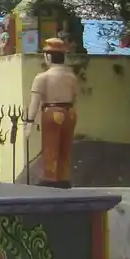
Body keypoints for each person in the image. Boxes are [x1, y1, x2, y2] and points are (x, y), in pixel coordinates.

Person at [24, 38, 80, 188]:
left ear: (48, 57)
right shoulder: (71, 77)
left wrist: (29, 121)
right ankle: (64, 176)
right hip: (70, 113)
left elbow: (35, 101)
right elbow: (75, 98)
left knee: (51, 145)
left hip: (52, 111)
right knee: (65, 146)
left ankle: (50, 177)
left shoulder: (43, 77)